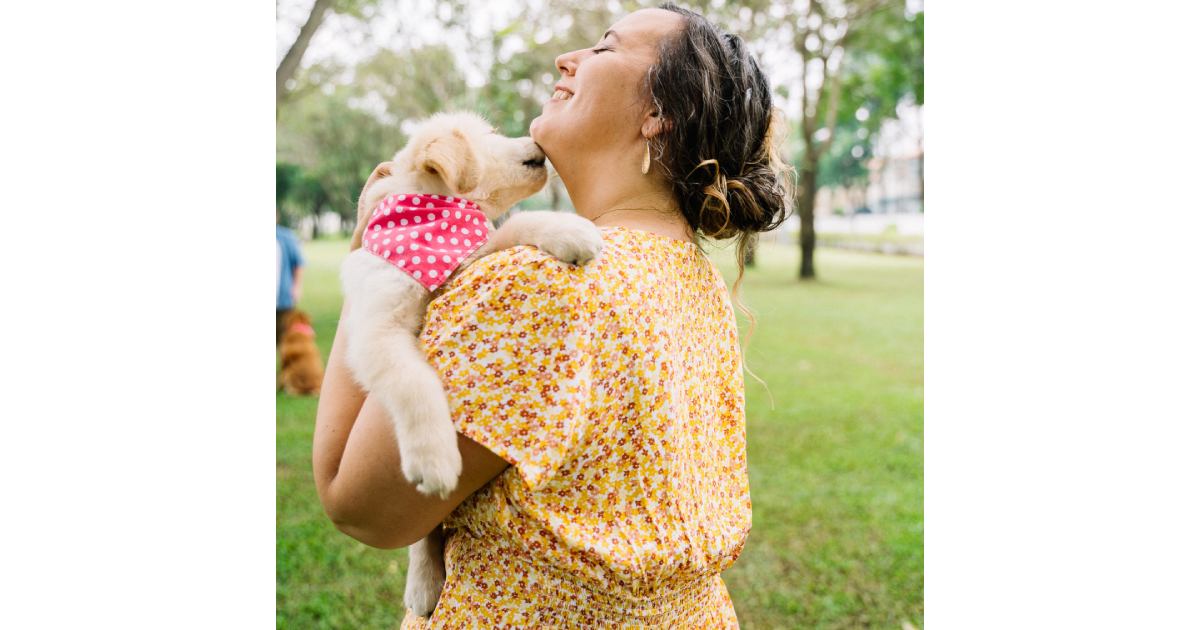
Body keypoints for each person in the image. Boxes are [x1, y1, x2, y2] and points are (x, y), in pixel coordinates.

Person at [313, 3, 791, 626]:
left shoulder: (537, 280)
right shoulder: (692, 275)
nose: (569, 58)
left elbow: (358, 505)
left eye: (605, 47)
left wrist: (382, 245)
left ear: (656, 115)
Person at [276, 219, 305, 347]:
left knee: (284, 339)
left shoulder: (285, 237)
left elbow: (298, 263)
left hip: (282, 299)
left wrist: (296, 287)